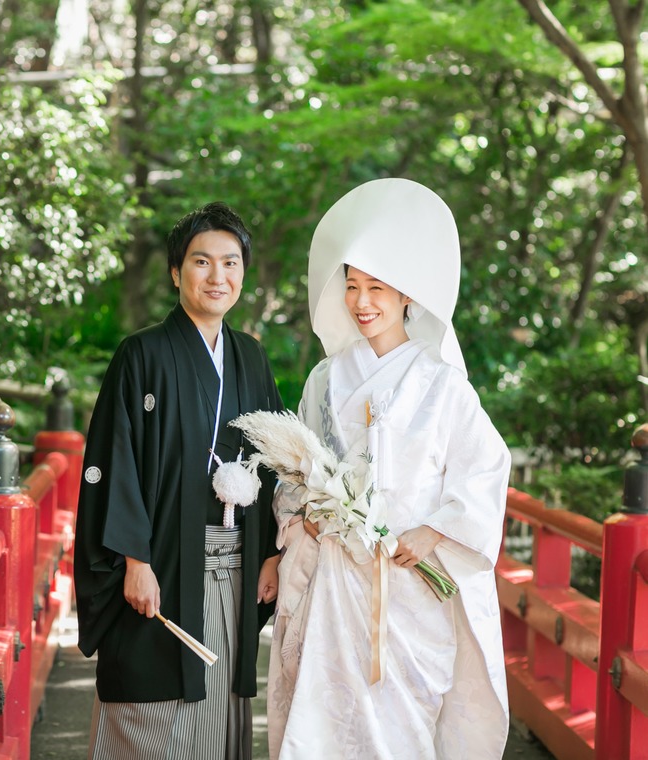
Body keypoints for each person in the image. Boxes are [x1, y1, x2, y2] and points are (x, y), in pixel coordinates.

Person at [266, 178, 510, 759]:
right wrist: (310, 515)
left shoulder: (443, 385)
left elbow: (484, 472)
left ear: (408, 295)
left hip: (409, 585)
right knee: (324, 719)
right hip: (335, 582)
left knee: (403, 726)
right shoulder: (326, 379)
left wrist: (433, 532)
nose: (361, 301)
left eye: (377, 286)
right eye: (351, 286)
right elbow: (296, 474)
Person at [74, 201, 284, 759]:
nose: (218, 277)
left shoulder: (250, 359)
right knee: (151, 701)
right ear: (175, 272)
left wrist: (271, 554)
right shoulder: (140, 355)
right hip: (160, 563)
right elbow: (113, 465)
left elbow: (275, 458)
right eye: (201, 262)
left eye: (231, 263)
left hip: (236, 565)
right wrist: (134, 561)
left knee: (220, 702)